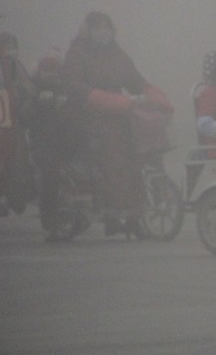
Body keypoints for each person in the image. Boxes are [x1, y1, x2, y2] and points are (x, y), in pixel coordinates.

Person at [63, 12, 173, 236]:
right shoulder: (77, 55)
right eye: (98, 26)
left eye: (107, 26)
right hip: (89, 116)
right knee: (114, 157)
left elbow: (135, 80)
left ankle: (134, 213)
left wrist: (154, 94)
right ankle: (119, 210)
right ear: (87, 30)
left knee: (137, 155)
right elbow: (74, 87)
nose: (103, 31)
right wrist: (103, 99)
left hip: (119, 113)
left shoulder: (117, 55)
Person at [22, 49, 88, 237]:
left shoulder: (65, 89)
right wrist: (38, 104)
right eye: (47, 70)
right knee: (50, 177)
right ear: (39, 72)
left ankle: (83, 212)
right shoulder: (32, 91)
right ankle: (50, 222)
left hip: (66, 143)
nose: (51, 74)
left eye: (54, 70)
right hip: (43, 145)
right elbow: (24, 114)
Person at [0, 32, 34, 216]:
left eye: (12, 44)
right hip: (5, 120)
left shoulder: (15, 65)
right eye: (6, 44)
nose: (10, 49)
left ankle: (15, 196)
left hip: (15, 120)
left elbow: (28, 87)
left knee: (16, 159)